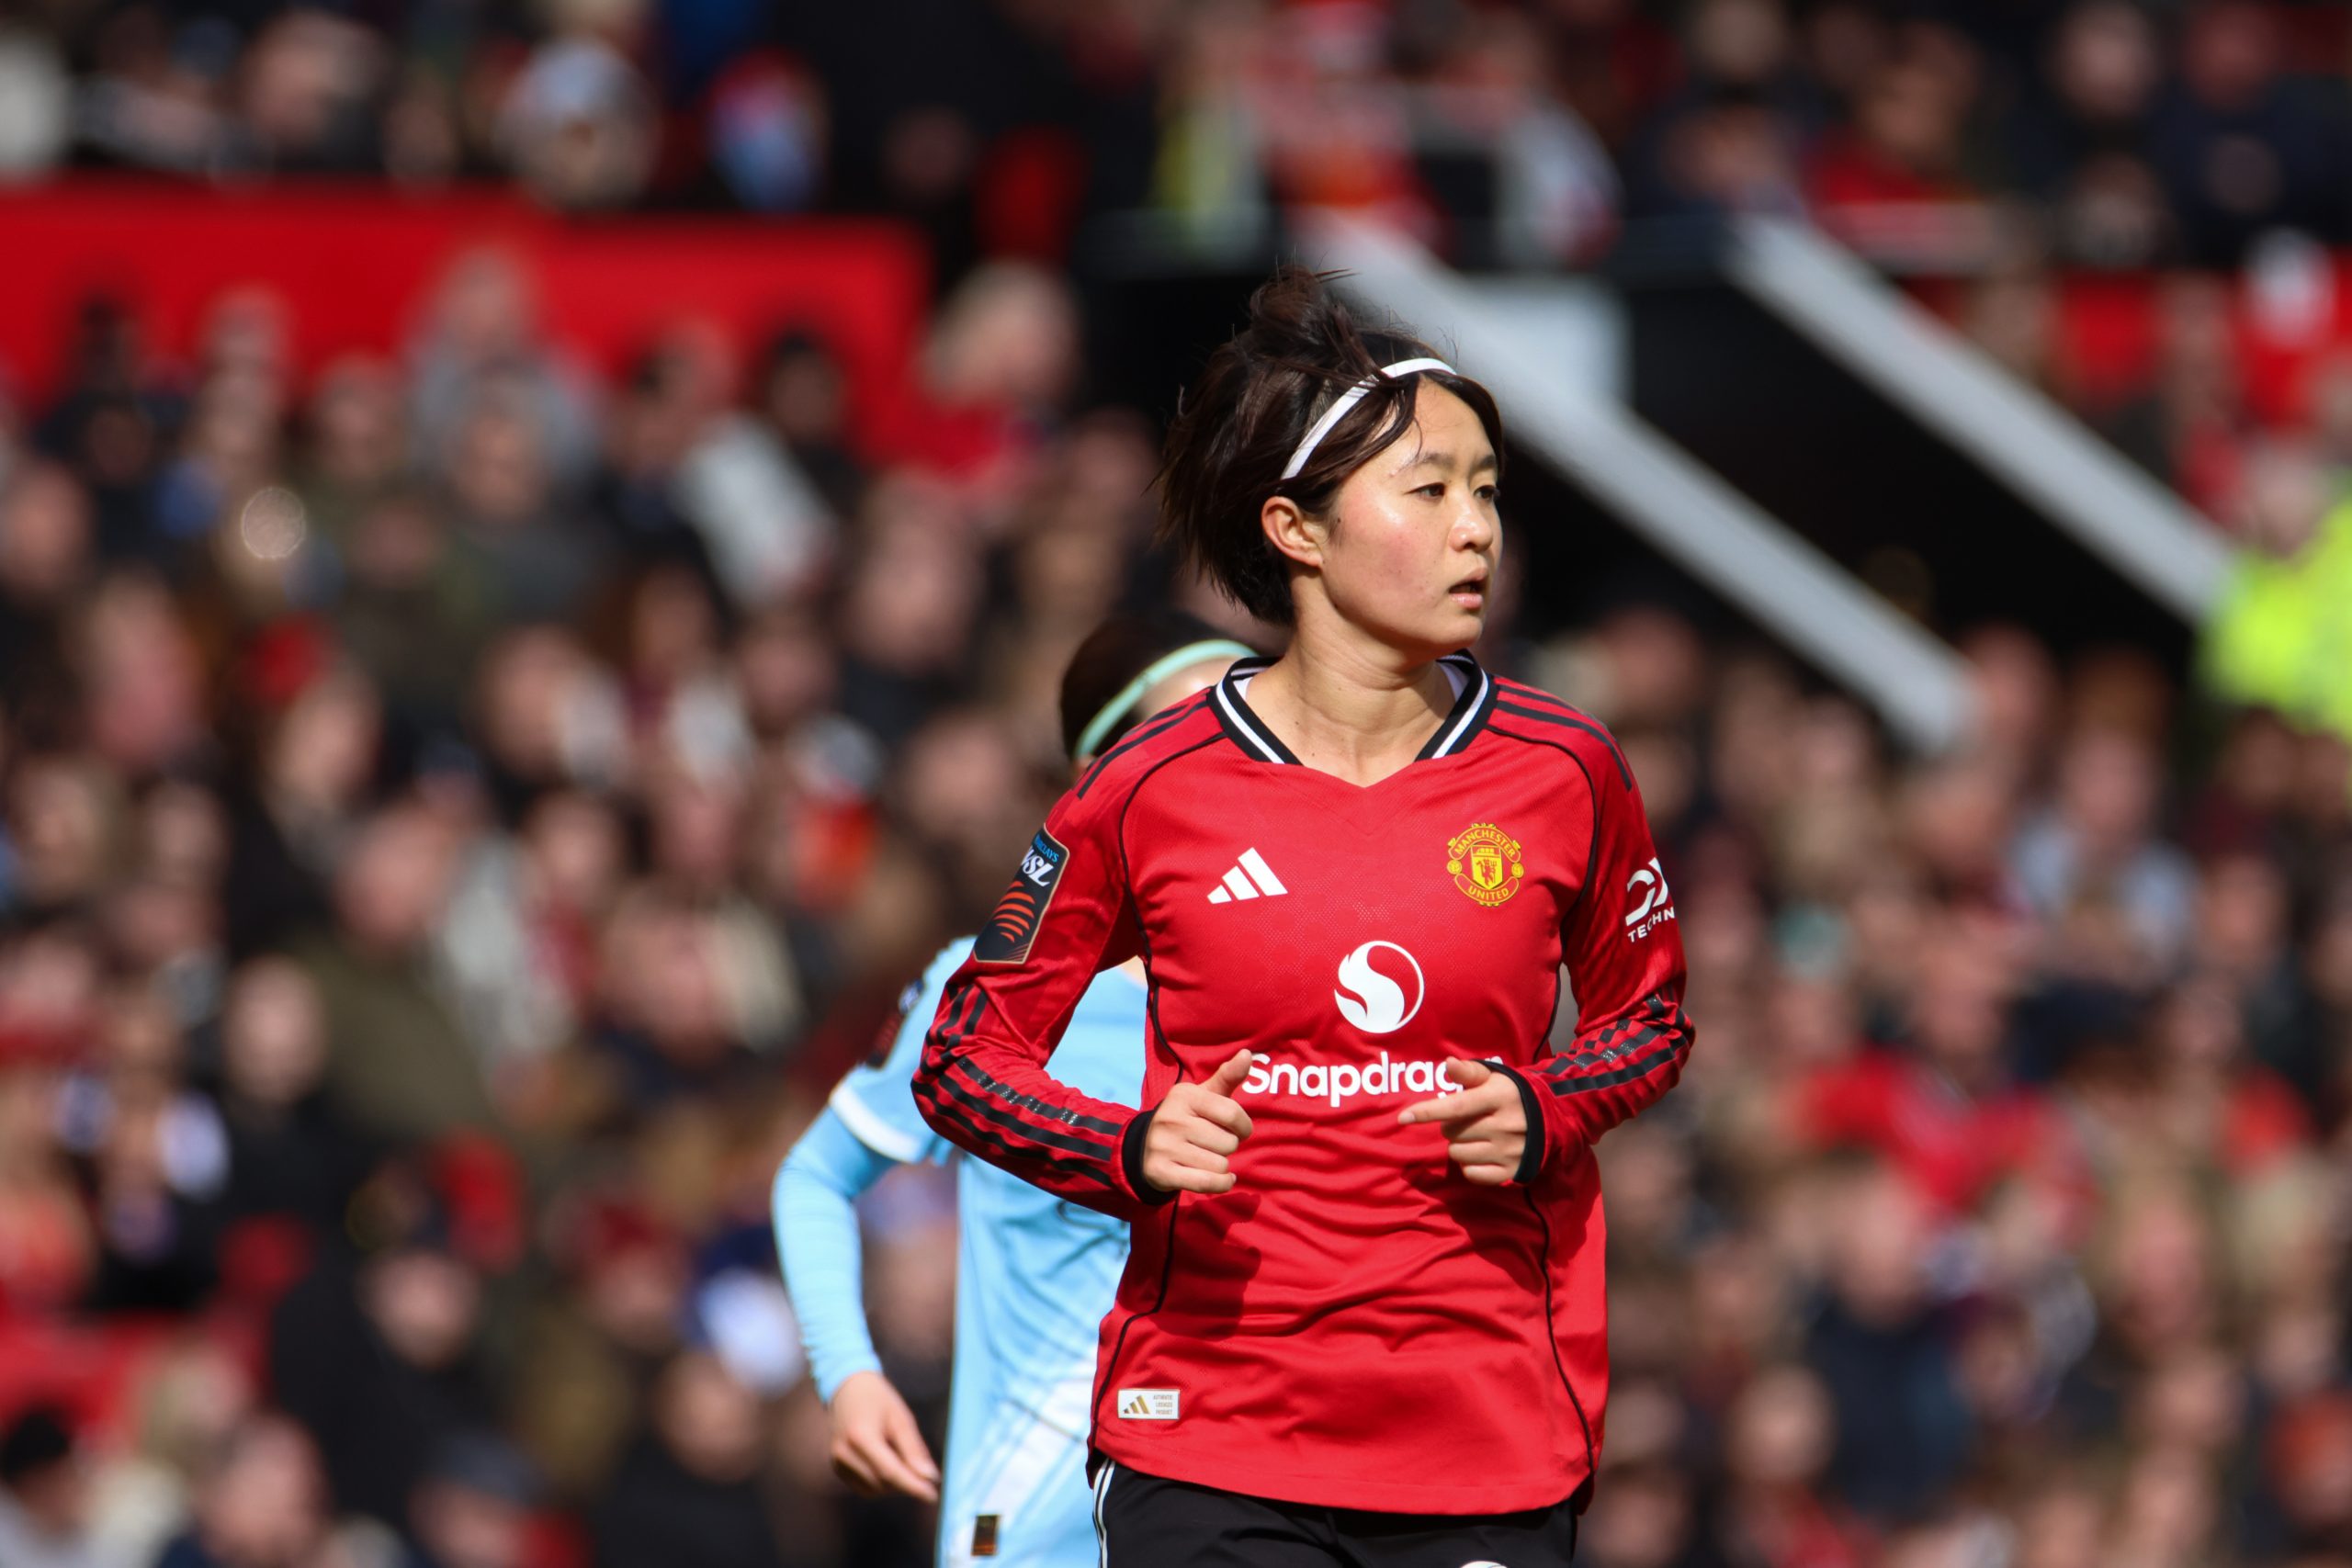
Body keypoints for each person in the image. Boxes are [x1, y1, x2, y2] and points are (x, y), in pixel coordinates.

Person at [908, 267, 1696, 1567]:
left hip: (1481, 1428)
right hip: (1212, 1431)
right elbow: (962, 1056)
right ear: (1297, 529)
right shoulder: (1148, 788)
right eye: (1429, 491)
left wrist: (1549, 1102)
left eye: (1488, 489)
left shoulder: (1567, 769)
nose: (1477, 531)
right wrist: (1125, 1143)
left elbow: (1650, 1020)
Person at [772, 613, 1252, 1567]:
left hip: (1255, 1517)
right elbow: (815, 1178)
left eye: (1256, 728)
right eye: (1198, 732)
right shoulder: (988, 993)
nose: (1242, 761)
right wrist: (851, 1375)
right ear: (1102, 778)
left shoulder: (1332, 1000)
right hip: (1032, 1535)